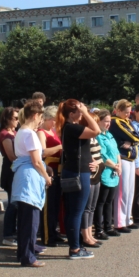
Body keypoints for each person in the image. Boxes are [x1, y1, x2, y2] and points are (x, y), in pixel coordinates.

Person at [57, 99, 100, 259]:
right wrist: (86, 113)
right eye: (79, 112)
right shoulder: (73, 127)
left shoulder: (69, 128)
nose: (82, 114)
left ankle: (75, 245)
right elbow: (96, 131)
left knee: (72, 212)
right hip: (78, 173)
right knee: (76, 212)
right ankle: (75, 248)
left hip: (73, 172)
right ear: (72, 114)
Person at [11, 100, 52, 267]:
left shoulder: (21, 131)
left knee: (24, 220)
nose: (41, 120)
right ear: (35, 115)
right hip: (30, 177)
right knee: (31, 220)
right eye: (41, 116)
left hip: (23, 175)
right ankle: (28, 256)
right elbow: (36, 161)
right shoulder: (30, 134)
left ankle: (23, 253)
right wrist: (46, 177)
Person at [109, 100, 139, 231]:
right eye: (126, 112)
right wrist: (132, 140)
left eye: (129, 112)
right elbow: (135, 137)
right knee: (122, 192)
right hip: (122, 158)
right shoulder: (116, 121)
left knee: (130, 191)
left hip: (131, 158)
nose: (128, 115)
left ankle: (128, 219)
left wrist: (132, 141)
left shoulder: (127, 122)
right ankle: (120, 221)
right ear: (119, 111)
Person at [37, 106, 64, 247]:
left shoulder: (53, 131)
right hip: (49, 168)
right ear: (47, 118)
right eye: (54, 120)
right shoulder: (41, 132)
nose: (55, 123)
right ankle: (47, 236)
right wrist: (60, 147)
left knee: (55, 205)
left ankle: (54, 232)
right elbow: (43, 152)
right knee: (48, 206)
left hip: (58, 168)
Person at [94, 109, 121, 239]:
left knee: (109, 201)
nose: (108, 124)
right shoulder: (98, 136)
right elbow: (103, 155)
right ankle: (99, 229)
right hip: (105, 171)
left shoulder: (110, 135)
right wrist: (114, 165)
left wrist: (119, 165)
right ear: (99, 121)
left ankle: (108, 226)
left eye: (109, 121)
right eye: (105, 121)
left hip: (114, 172)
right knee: (101, 201)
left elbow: (116, 152)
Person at [0, 107, 19, 246]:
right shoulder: (5, 134)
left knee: (16, 202)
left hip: (15, 169)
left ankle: (12, 230)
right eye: (15, 118)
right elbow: (11, 156)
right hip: (10, 170)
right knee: (12, 202)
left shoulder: (14, 132)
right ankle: (8, 235)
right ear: (7, 119)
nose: (17, 121)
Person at [82, 112, 104, 247]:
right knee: (87, 208)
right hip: (89, 176)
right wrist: (96, 163)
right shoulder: (86, 138)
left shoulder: (95, 139)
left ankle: (90, 234)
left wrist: (98, 163)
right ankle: (86, 236)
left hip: (97, 175)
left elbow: (99, 157)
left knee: (92, 207)